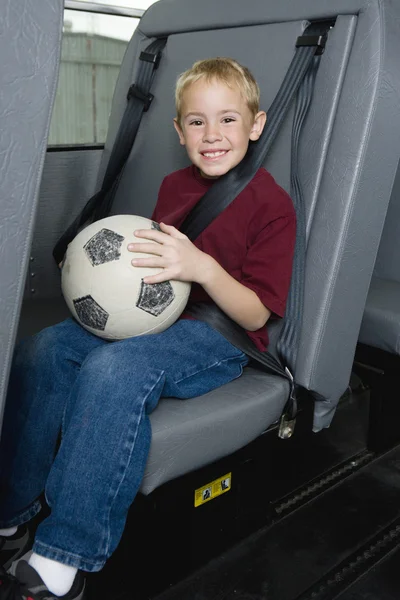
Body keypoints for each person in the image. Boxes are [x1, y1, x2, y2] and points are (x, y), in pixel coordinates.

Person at [0, 57, 296, 599]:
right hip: (153, 318)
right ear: (179, 130)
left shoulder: (270, 204)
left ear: (256, 126)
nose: (212, 135)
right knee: (43, 350)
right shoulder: (173, 186)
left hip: (219, 338)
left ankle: (67, 552)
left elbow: (258, 315)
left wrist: (202, 267)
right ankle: (11, 510)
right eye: (197, 121)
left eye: (229, 120)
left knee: (114, 369)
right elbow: (145, 273)